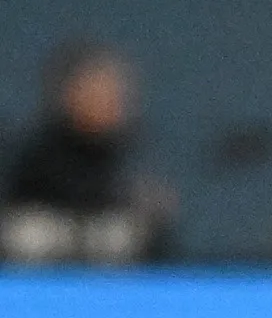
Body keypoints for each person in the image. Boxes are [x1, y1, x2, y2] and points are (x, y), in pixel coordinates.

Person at [3, 39, 176, 266]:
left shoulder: (130, 154)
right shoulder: (37, 155)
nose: (109, 101)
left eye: (114, 92)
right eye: (96, 89)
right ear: (69, 94)